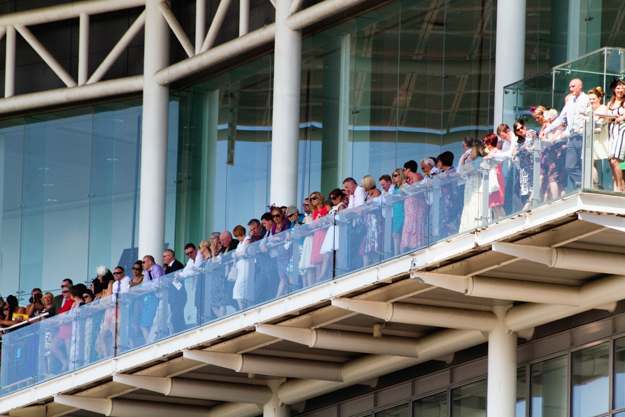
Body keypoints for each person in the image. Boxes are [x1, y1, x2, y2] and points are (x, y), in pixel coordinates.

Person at [541, 78, 589, 187]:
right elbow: (561, 118)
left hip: (583, 136)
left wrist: (583, 127)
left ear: (580, 86)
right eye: (570, 87)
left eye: (573, 86)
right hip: (572, 137)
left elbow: (592, 116)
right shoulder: (570, 103)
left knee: (584, 164)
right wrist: (547, 129)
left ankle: (587, 185)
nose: (571, 89)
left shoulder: (586, 99)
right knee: (570, 166)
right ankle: (583, 185)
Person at [459, 140, 488, 231]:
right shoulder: (480, 161)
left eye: (471, 151)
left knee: (473, 205)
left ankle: (472, 226)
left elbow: (463, 172)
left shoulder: (477, 161)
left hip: (474, 187)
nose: (470, 154)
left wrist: (463, 161)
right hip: (473, 187)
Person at [318, 188, 347, 280]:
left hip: (337, 229)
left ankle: (341, 273)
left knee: (338, 253)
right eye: (331, 198)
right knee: (326, 255)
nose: (332, 200)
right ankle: (321, 277)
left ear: (339, 197)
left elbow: (341, 219)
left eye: (334, 198)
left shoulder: (341, 206)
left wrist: (328, 218)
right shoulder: (334, 208)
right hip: (331, 230)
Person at [511, 121, 539, 210]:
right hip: (525, 167)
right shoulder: (519, 140)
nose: (521, 130)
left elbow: (526, 148)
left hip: (533, 165)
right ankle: (530, 207)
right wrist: (516, 153)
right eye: (518, 130)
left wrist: (518, 152)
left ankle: (528, 207)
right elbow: (513, 152)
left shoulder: (530, 133)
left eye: (521, 127)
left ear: (524, 127)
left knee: (533, 186)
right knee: (527, 189)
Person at [400, 160, 426, 252]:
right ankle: (409, 245)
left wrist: (405, 187)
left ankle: (416, 245)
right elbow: (400, 192)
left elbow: (414, 190)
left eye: (404, 170)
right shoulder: (408, 180)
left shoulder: (416, 176)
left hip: (417, 205)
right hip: (410, 207)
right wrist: (403, 184)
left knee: (415, 225)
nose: (403, 172)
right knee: (409, 226)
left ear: (408, 169)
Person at [586, 87, 609, 188]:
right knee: (590, 160)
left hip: (599, 137)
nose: (591, 101)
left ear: (599, 98)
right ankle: (593, 182)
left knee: (594, 159)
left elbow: (600, 121)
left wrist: (592, 125)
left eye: (593, 99)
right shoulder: (588, 109)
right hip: (590, 137)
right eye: (590, 99)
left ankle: (595, 183)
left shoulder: (603, 108)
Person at [140, 255, 165, 343]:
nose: (142, 264)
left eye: (143, 262)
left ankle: (153, 341)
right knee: (146, 323)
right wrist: (152, 285)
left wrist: (152, 285)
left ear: (149, 262)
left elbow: (158, 283)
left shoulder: (156, 268)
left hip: (161, 296)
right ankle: (149, 342)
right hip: (154, 297)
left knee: (153, 321)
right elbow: (148, 285)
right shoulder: (147, 272)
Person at [309, 191, 332, 283]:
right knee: (318, 261)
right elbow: (313, 224)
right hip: (317, 235)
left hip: (324, 234)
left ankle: (325, 279)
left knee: (325, 258)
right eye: (311, 199)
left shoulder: (326, 207)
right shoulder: (314, 211)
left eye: (314, 198)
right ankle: (319, 281)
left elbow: (332, 218)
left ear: (319, 198)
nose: (312, 200)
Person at [50, 286, 74, 372]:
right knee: (53, 346)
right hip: (62, 328)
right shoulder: (66, 302)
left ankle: (71, 367)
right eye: (62, 292)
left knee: (69, 350)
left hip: (68, 327)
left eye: (65, 291)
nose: (63, 293)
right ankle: (65, 363)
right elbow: (59, 317)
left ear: (70, 292)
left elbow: (70, 315)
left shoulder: (72, 302)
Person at [162, 250, 187, 334]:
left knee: (176, 318)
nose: (163, 258)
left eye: (165, 256)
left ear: (170, 256)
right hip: (173, 297)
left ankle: (181, 334)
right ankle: (180, 333)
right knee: (176, 317)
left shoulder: (178, 265)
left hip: (179, 296)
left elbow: (176, 280)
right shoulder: (168, 267)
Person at [607, 79, 625, 192]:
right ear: (614, 89)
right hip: (611, 131)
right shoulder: (610, 103)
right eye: (618, 88)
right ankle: (616, 188)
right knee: (611, 161)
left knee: (615, 160)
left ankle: (621, 186)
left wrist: (621, 118)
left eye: (622, 88)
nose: (620, 90)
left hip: (621, 130)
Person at [482, 133, 506, 219]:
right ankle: (496, 222)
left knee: (498, 205)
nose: (484, 145)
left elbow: (499, 161)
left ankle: (502, 223)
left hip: (497, 180)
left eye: (485, 143)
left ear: (490, 143)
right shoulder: (489, 154)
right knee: (493, 206)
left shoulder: (498, 152)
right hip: (491, 180)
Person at [360, 175, 382, 267]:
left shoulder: (376, 191)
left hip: (374, 221)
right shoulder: (367, 194)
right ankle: (366, 266)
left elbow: (376, 204)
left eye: (363, 183)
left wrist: (364, 208)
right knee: (366, 246)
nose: (362, 186)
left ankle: (375, 265)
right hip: (367, 222)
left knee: (374, 245)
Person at [270, 207, 291, 296]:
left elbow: (287, 236)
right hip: (279, 251)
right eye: (273, 216)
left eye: (277, 215)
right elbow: (271, 239)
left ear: (282, 215)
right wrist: (276, 239)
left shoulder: (286, 222)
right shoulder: (274, 226)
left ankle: (278, 297)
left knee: (285, 275)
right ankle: (285, 294)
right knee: (281, 275)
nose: (275, 218)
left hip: (287, 250)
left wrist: (276, 238)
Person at [232, 225, 254, 309]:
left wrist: (236, 255)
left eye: (237, 235)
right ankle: (243, 308)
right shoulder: (240, 243)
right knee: (240, 289)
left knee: (238, 289)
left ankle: (243, 309)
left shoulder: (247, 239)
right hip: (239, 267)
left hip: (246, 265)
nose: (237, 238)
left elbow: (245, 251)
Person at [390, 168, 406, 256]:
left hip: (401, 210)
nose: (394, 177)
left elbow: (403, 196)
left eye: (396, 175)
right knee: (396, 234)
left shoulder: (404, 185)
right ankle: (397, 253)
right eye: (393, 176)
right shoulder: (395, 187)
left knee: (396, 233)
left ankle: (399, 254)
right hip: (396, 211)